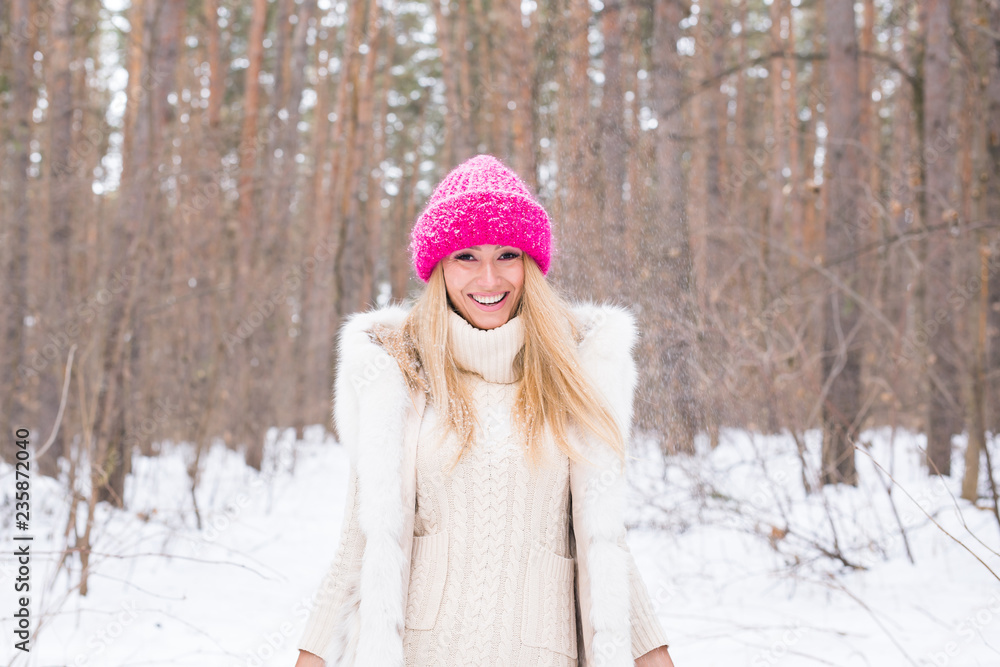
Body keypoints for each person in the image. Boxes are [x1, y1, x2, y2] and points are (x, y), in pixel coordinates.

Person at [293, 154, 675, 666]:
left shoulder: (574, 374)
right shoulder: (399, 375)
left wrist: (653, 655)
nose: (489, 278)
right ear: (439, 268)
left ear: (531, 264)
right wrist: (312, 656)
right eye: (466, 257)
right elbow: (360, 544)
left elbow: (603, 544)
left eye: (507, 254)